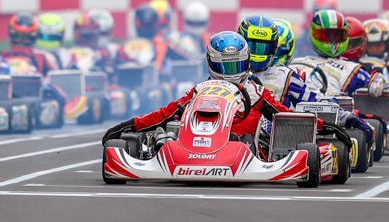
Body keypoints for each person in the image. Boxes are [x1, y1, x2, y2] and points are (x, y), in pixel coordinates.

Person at [101, 32, 291, 151]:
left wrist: (319, 125)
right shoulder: (200, 90)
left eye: (236, 66)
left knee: (244, 140)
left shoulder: (256, 92)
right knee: (167, 131)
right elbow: (166, 113)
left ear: (246, 63)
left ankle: (228, 144)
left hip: (243, 150)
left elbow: (288, 117)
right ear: (211, 63)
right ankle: (171, 146)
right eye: (224, 67)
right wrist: (129, 125)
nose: (230, 73)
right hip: (194, 147)